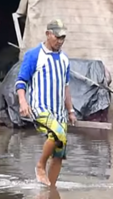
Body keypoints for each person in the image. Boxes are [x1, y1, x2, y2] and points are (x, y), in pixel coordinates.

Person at [15, 19, 77, 187]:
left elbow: (66, 88)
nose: (60, 41)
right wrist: (23, 102)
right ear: (48, 34)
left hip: (59, 112)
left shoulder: (64, 59)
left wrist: (70, 111)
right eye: (57, 37)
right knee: (57, 133)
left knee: (60, 150)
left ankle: (50, 188)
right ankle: (40, 165)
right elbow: (21, 82)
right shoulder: (34, 55)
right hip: (40, 108)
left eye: (63, 37)